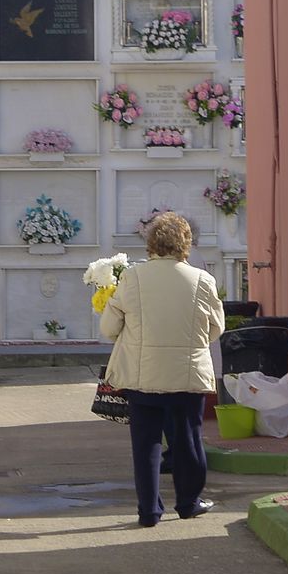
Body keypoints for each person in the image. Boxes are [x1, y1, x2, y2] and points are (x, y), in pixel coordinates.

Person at [99, 212, 224, 527]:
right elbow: (216, 328)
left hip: (144, 375)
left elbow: (110, 327)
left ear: (151, 243)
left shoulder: (132, 278)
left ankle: (149, 511)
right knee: (188, 440)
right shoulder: (203, 280)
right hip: (187, 374)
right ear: (186, 244)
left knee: (146, 444)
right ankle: (188, 502)